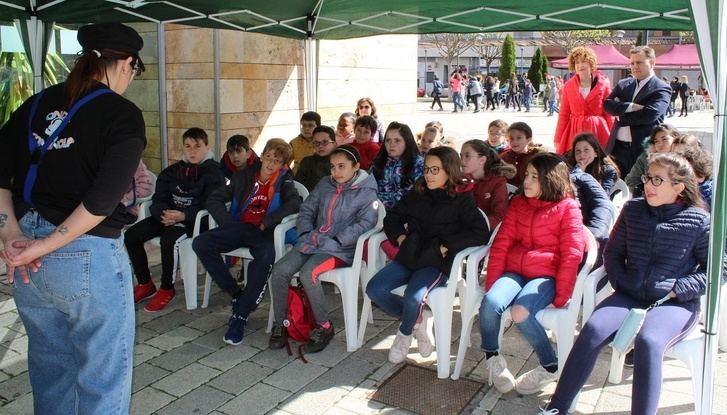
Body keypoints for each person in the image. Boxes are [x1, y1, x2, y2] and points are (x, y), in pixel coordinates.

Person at [0, 23, 145, 414]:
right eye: (135, 69)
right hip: (83, 255)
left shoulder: (35, 103)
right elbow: (100, 202)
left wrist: (12, 235)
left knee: (50, 370)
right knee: (103, 376)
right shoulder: (122, 114)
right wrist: (44, 245)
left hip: (27, 259)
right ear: (126, 63)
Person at [541, 153, 709, 415]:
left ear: (679, 187)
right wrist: (621, 281)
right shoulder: (633, 210)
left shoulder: (698, 220)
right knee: (593, 330)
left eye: (657, 180)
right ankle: (557, 408)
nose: (648, 186)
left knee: (649, 341)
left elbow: (716, 269)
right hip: (629, 293)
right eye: (647, 178)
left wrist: (680, 289)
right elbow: (613, 252)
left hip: (674, 302)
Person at [366, 146, 490, 363]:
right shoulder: (418, 191)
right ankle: (417, 319)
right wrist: (401, 238)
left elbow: (480, 232)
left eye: (435, 170)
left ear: (449, 171)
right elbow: (392, 218)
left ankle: (404, 334)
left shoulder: (462, 197)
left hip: (436, 261)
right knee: (374, 289)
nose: (428, 175)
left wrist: (446, 245)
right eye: (426, 169)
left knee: (414, 296)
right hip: (410, 254)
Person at [480, 153, 585, 395]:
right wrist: (493, 282)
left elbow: (572, 254)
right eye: (527, 175)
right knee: (490, 302)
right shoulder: (519, 203)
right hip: (515, 270)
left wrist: (561, 296)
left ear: (551, 180)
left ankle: (550, 365)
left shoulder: (568, 208)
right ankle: (492, 356)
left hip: (545, 275)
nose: (526, 181)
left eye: (534, 177)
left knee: (521, 313)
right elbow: (502, 242)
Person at [268, 145, 379, 353]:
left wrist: (337, 239)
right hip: (312, 240)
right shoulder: (325, 184)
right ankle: (281, 323)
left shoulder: (366, 191)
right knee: (280, 270)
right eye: (333, 167)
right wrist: (304, 233)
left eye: (341, 166)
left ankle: (324, 326)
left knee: (309, 273)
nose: (336, 172)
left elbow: (366, 223)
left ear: (356, 166)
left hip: (340, 248)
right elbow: (307, 208)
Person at [192, 138, 301, 346]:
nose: (270, 164)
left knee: (265, 257)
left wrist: (268, 222)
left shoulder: (284, 180)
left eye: (276, 161)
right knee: (201, 243)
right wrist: (226, 224)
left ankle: (240, 316)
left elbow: (294, 203)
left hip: (264, 231)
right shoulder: (243, 176)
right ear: (260, 156)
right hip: (240, 227)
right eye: (267, 157)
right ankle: (235, 292)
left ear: (283, 165)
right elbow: (214, 198)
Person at [125, 127, 224, 312]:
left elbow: (212, 203)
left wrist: (184, 215)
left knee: (169, 240)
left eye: (197, 146)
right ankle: (145, 283)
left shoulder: (214, 173)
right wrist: (164, 213)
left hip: (194, 222)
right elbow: (158, 198)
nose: (192, 151)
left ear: (207, 147)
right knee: (131, 235)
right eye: (188, 146)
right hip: (168, 216)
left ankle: (167, 287)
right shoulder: (173, 171)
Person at [604, 46, 671, 178]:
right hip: (616, 149)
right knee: (615, 188)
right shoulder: (623, 84)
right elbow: (607, 105)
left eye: (639, 62)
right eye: (632, 63)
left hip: (642, 150)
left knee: (639, 189)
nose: (635, 66)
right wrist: (630, 106)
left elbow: (650, 114)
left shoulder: (661, 88)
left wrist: (620, 117)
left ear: (652, 63)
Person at [553, 46, 614, 155]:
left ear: (591, 63)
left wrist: (614, 136)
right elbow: (564, 114)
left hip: (597, 130)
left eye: (583, 61)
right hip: (575, 130)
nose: (580, 65)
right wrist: (558, 138)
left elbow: (609, 112)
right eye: (576, 62)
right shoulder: (568, 86)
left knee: (598, 161)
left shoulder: (604, 83)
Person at [460, 139, 515, 228]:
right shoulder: (461, 180)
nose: (462, 161)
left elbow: (499, 216)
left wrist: (476, 226)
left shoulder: (497, 182)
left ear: (482, 160)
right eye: (461, 156)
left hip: (484, 232)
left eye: (467, 156)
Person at [370, 122, 424, 210]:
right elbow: (369, 187)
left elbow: (415, 195)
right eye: (388, 140)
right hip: (376, 208)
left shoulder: (418, 164)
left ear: (407, 142)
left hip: (405, 212)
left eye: (397, 140)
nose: (391, 144)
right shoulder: (380, 160)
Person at [625, 124, 679, 198]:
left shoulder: (685, 158)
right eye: (656, 141)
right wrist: (646, 193)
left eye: (664, 139)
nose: (660, 144)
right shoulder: (645, 158)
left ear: (675, 139)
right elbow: (631, 180)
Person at [499, 122, 542, 187]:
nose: (514, 142)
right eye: (511, 138)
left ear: (528, 139)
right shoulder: (503, 157)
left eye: (519, 138)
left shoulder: (536, 157)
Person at [295, 126, 337, 192]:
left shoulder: (341, 162)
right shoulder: (307, 162)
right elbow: (298, 187)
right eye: (316, 143)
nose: (320, 146)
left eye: (325, 142)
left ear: (334, 144)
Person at [676, 146, 713, 210]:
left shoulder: (711, 197)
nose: (680, 175)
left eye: (686, 172)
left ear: (701, 176)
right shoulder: (680, 191)